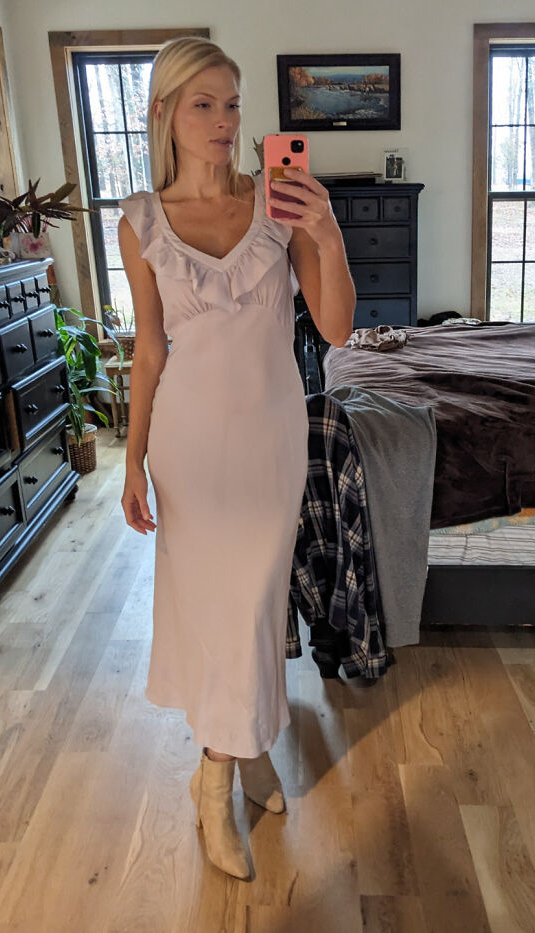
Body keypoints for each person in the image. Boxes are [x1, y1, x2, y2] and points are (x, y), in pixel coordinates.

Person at [117, 36, 356, 880]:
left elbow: (336, 328)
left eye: (232, 104)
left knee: (254, 604)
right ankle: (231, 769)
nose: (223, 121)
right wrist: (132, 459)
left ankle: (222, 766)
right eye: (203, 105)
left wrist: (326, 232)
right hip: (187, 448)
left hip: (269, 439)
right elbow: (150, 351)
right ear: (164, 113)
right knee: (222, 611)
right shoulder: (140, 221)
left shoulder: (277, 204)